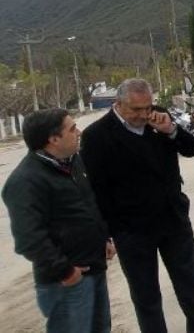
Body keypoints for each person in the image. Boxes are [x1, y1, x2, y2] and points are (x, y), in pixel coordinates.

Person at [80, 79, 194, 333]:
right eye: (136, 110)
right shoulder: (97, 136)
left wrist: (171, 131)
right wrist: (106, 233)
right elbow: (97, 191)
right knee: (146, 295)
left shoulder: (159, 117)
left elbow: (191, 148)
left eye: (147, 107)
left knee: (190, 285)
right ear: (118, 104)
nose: (144, 115)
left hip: (173, 220)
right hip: (132, 230)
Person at [2, 109, 114, 333]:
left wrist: (104, 238)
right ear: (53, 139)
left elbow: (87, 205)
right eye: (72, 129)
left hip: (94, 268)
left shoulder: (73, 163)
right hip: (66, 283)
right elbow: (29, 239)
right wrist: (65, 272)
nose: (79, 132)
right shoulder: (26, 181)